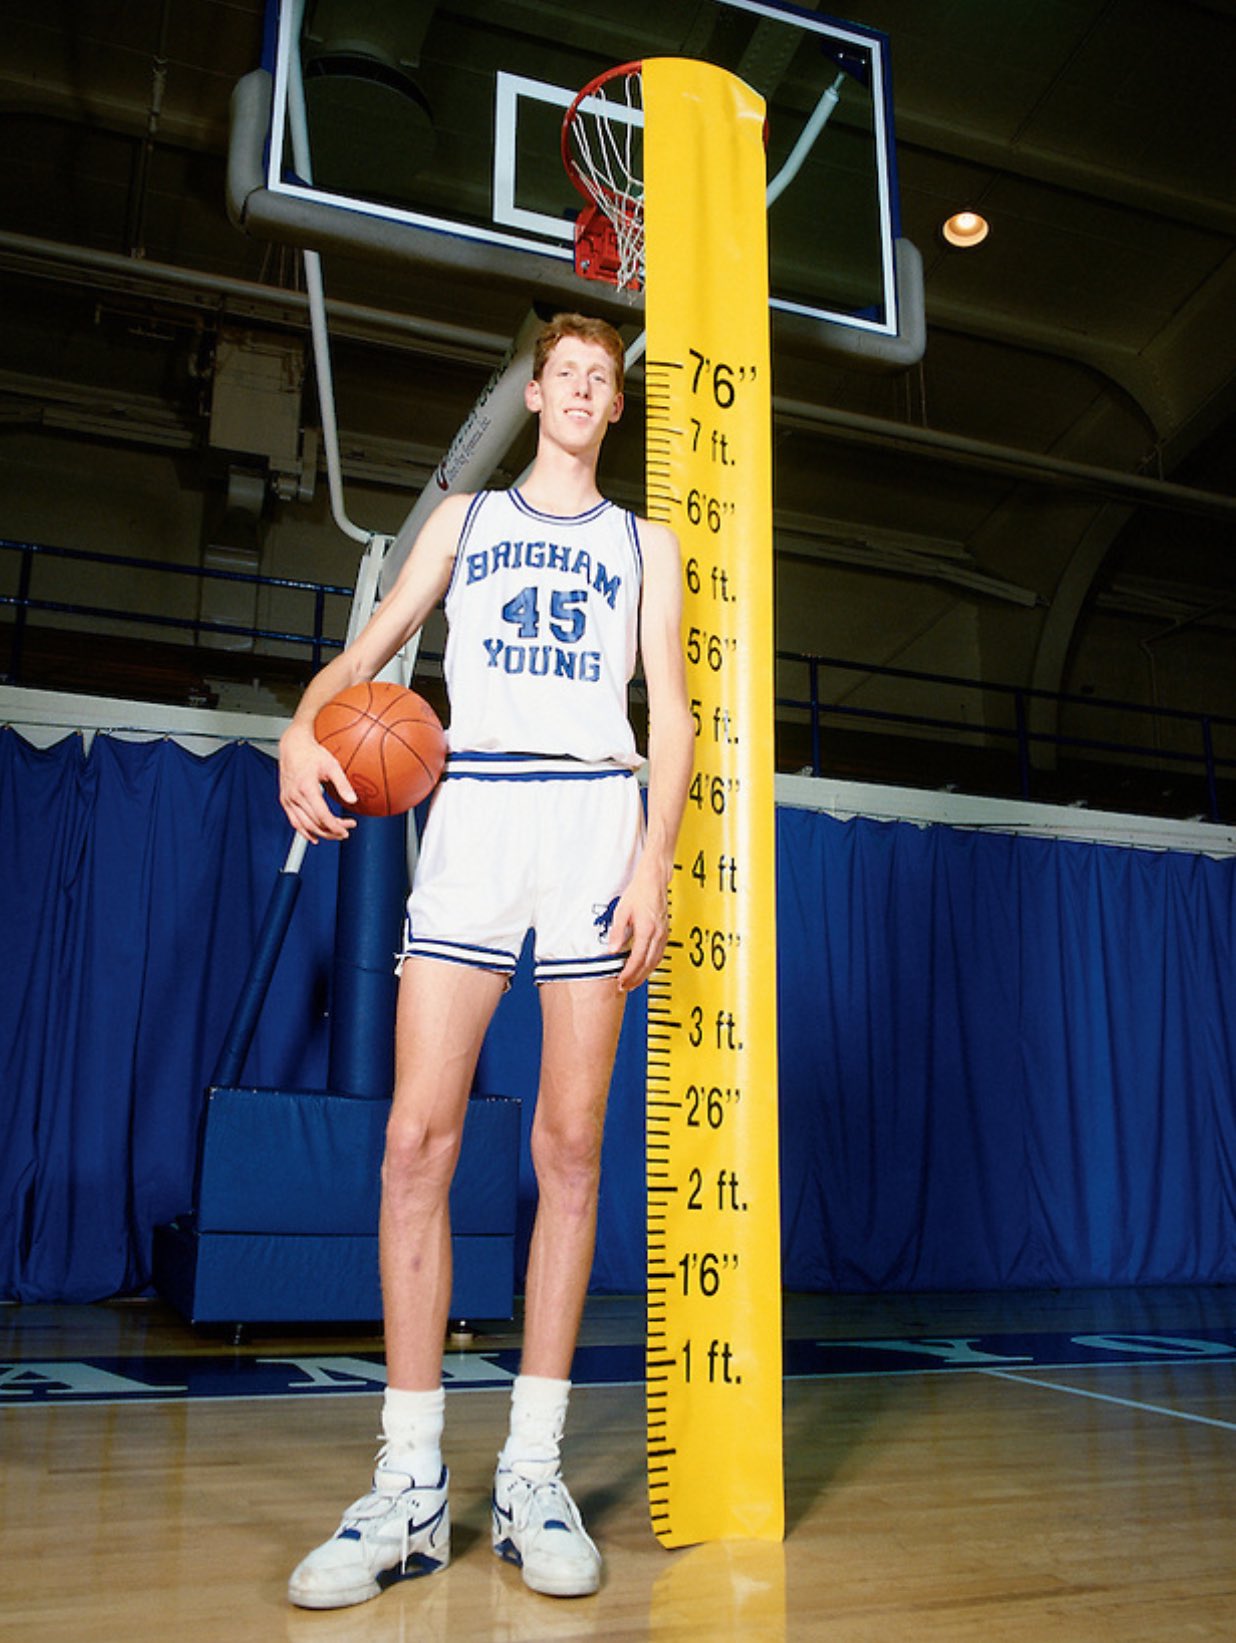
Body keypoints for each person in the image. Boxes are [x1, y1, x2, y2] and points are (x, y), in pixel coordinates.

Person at [278, 313, 693, 1609]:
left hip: (590, 821)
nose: (577, 387)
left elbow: (671, 711)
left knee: (569, 1149)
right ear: (532, 391)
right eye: (560, 371)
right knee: (417, 1141)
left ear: (613, 408)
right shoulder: (462, 519)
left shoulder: (647, 546)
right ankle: (408, 1485)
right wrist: (302, 728)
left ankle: (531, 1469)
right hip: (475, 818)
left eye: (598, 377)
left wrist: (654, 861)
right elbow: (374, 645)